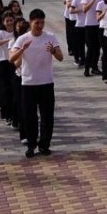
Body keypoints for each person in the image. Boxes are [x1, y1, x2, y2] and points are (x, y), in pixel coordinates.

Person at [10, 9, 64, 158]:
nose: (40, 25)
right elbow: (11, 59)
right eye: (36, 23)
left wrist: (53, 51)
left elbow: (60, 57)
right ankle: (31, 145)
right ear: (30, 22)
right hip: (28, 83)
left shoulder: (50, 37)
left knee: (47, 116)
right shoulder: (22, 39)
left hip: (46, 82)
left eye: (42, 22)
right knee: (29, 116)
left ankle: (44, 144)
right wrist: (22, 49)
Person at [0, 14, 18, 127]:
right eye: (7, 21)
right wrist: (7, 41)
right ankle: (7, 115)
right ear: (3, 22)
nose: (10, 23)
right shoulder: (1, 33)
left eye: (11, 20)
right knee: (5, 89)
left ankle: (15, 114)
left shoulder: (17, 33)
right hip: (3, 62)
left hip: (14, 63)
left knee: (14, 90)